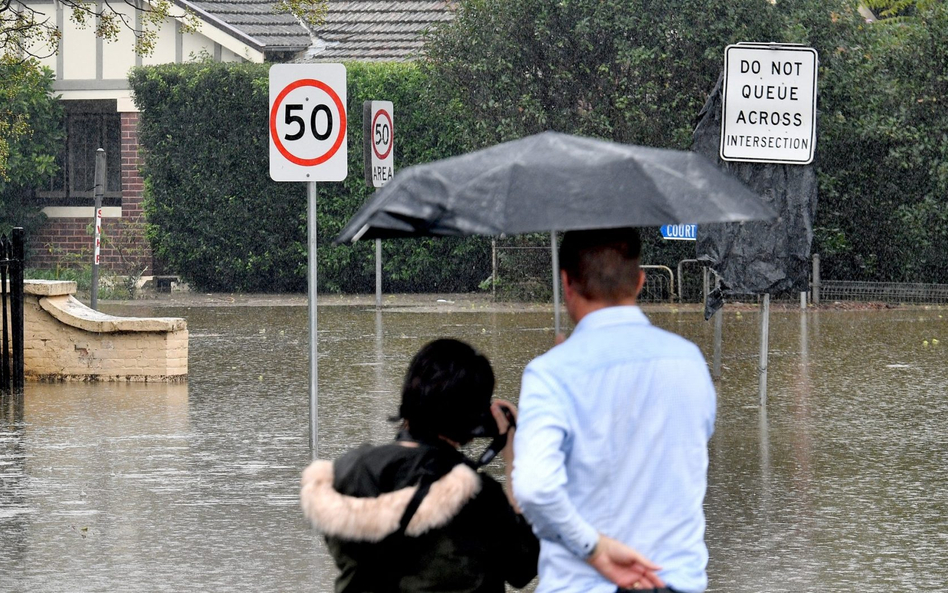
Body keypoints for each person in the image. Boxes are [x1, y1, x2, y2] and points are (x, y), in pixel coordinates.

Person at [512, 227, 717, 593]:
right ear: (639, 281)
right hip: (675, 581)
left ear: (566, 283)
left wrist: (595, 548)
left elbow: (535, 489)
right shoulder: (690, 361)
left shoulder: (551, 374)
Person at [300, 338, 539, 593]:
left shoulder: (347, 472)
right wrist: (514, 462)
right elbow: (523, 567)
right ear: (474, 415)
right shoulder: (479, 495)